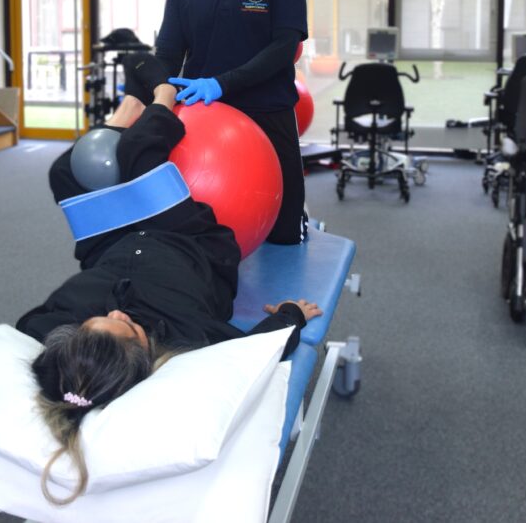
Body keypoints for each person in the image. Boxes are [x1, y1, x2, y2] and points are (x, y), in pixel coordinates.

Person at [16, 76, 322, 506]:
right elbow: (260, 351)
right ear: (146, 354)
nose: (119, 313)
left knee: (65, 173)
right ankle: (158, 100)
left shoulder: (57, 339)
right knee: (141, 162)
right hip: (190, 239)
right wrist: (292, 312)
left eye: (100, 318)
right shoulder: (191, 338)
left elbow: (35, 340)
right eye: (127, 328)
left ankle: (124, 117)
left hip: (112, 240)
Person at [155, 0, 309, 246]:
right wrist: (156, 100)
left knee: (283, 232)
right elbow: (168, 53)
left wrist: (222, 82)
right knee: (199, 232)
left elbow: (283, 48)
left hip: (267, 114)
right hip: (202, 122)